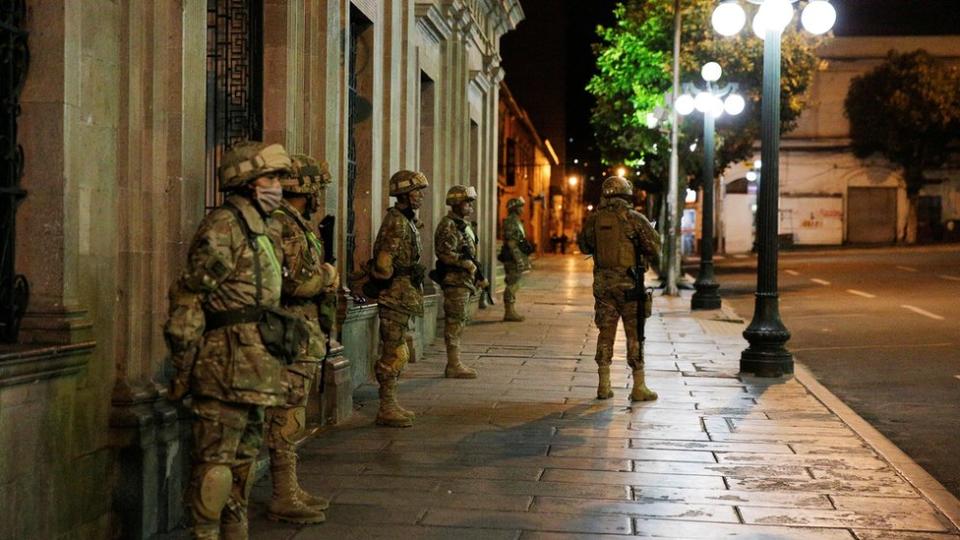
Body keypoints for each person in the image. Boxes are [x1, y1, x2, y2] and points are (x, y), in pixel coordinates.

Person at [164, 141, 294, 540]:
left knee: (242, 463)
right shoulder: (225, 226)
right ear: (248, 182)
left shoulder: (260, 227)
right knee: (215, 465)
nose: (278, 186)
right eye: (271, 178)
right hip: (224, 362)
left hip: (256, 364)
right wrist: (184, 364)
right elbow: (190, 296)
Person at [264, 154, 339, 524]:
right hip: (290, 334)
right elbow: (294, 282)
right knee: (286, 414)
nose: (320, 195)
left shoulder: (294, 222)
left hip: (302, 333)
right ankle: (282, 494)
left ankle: (289, 486)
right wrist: (327, 276)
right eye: (318, 188)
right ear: (307, 189)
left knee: (292, 411)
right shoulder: (285, 225)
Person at [577, 176, 661, 402]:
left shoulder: (594, 219)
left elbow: (584, 245)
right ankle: (639, 386)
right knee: (635, 336)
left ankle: (603, 385)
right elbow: (654, 247)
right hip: (630, 288)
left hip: (604, 288)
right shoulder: (634, 219)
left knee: (606, 334)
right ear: (626, 195)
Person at [369, 170, 429, 427]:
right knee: (393, 352)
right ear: (404, 195)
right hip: (395, 295)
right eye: (416, 192)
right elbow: (383, 264)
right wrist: (395, 276)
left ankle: (391, 403)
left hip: (404, 295)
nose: (420, 197)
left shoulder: (407, 220)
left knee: (398, 350)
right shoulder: (396, 221)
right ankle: (386, 406)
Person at [434, 185, 484, 379]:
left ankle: (455, 362)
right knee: (454, 322)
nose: (470, 205)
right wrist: (465, 264)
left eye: (471, 202)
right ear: (456, 203)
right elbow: (444, 253)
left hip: (464, 281)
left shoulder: (464, 225)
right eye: (467, 202)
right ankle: (453, 364)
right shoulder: (448, 225)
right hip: (455, 280)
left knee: (460, 321)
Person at [500, 197, 531, 322]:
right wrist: (519, 259)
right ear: (515, 208)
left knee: (515, 282)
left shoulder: (516, 220)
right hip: (512, 257)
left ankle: (511, 309)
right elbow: (512, 242)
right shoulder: (511, 221)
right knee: (513, 282)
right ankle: (509, 310)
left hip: (516, 254)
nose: (522, 209)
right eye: (520, 206)